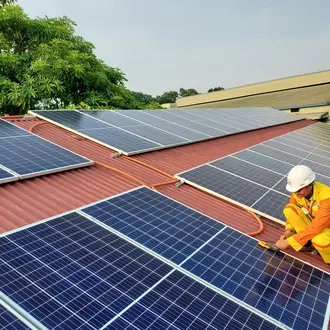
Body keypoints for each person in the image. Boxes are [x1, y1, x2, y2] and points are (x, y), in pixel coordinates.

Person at [275, 165, 330, 263]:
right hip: (314, 224)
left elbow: (317, 226)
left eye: (299, 190)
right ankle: (306, 241)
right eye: (294, 190)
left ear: (310, 184)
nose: (296, 193)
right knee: (289, 209)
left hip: (326, 228)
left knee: (319, 241)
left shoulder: (326, 197)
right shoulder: (298, 193)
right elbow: (293, 210)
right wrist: (289, 229)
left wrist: (288, 242)